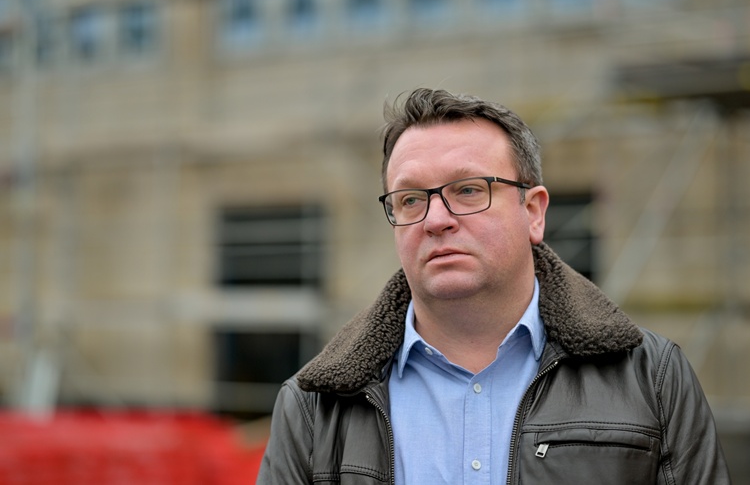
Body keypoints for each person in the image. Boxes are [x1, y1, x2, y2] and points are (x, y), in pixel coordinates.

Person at [257, 88, 730, 484]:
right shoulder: (314, 406)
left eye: (468, 190)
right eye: (411, 199)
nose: (435, 219)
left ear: (534, 212)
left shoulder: (651, 378)